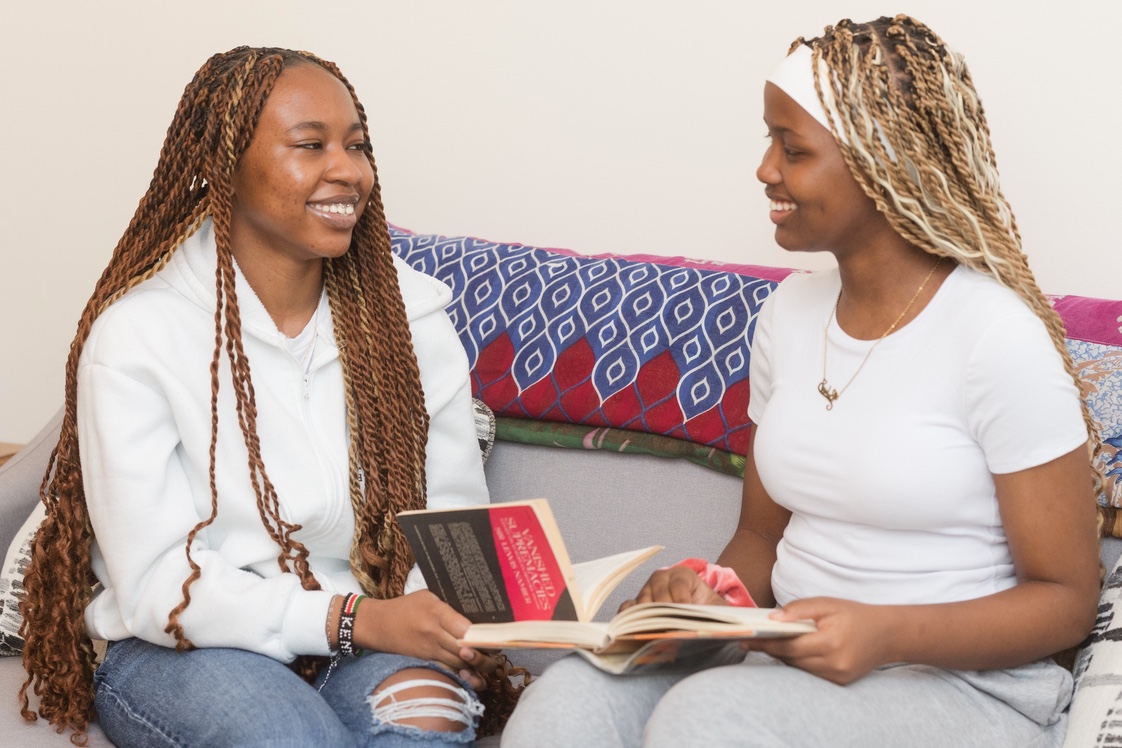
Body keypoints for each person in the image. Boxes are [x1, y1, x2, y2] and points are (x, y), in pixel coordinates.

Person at [501, 15, 1103, 748]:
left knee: (709, 718)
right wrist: (701, 605)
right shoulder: (788, 314)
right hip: (787, 661)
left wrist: (886, 634)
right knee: (571, 698)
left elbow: (1068, 601)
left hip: (965, 690)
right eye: (768, 141)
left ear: (882, 164)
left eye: (793, 149)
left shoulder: (995, 337)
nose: (765, 169)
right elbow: (760, 534)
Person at [19, 47, 523, 746]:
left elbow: (453, 520)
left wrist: (443, 624)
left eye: (357, 145)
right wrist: (349, 618)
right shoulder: (137, 336)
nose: (348, 169)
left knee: (427, 721)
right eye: (310, 146)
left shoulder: (410, 320)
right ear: (222, 166)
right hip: (186, 650)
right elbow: (157, 582)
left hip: (369, 639)